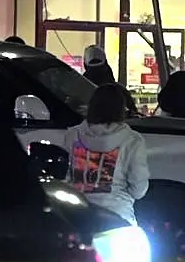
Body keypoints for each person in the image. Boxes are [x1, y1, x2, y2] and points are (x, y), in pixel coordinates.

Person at [64, 83, 150, 225]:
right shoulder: (132, 140)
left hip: (78, 214)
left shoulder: (72, 135)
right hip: (118, 215)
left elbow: (65, 177)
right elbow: (138, 189)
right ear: (121, 109)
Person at [83, 45, 139, 116]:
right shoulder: (120, 91)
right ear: (106, 63)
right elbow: (134, 117)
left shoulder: (77, 90)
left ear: (85, 65)